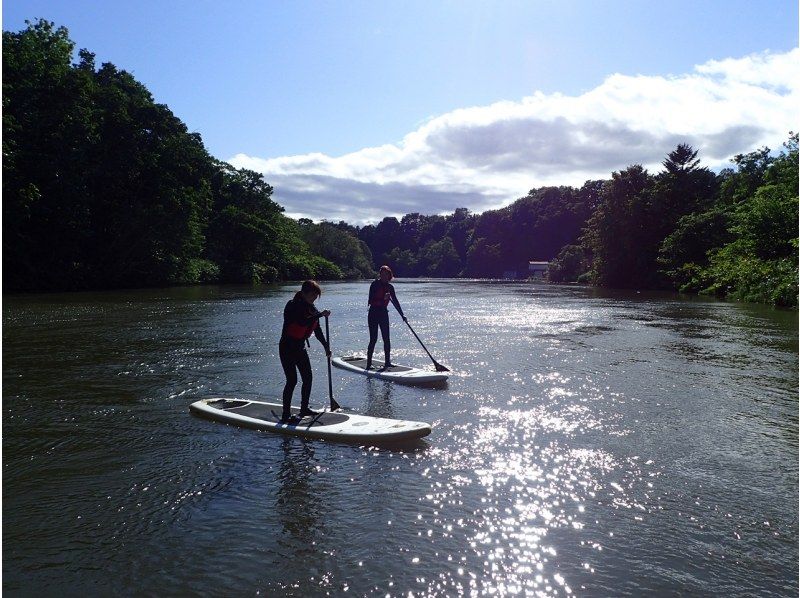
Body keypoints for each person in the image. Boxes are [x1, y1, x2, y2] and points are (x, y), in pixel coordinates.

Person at [279, 280, 331, 423]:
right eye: (312, 295)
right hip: (287, 347)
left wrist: (326, 346)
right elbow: (302, 321)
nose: (314, 298)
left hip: (300, 347)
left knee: (308, 378)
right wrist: (320, 314)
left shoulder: (312, 308)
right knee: (292, 380)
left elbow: (317, 329)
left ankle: (304, 409)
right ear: (303, 293)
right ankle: (285, 414)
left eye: (316, 296)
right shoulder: (292, 306)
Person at [366, 265, 406, 370]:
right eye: (382, 274)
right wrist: (383, 299)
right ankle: (368, 364)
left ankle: (387, 362)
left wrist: (402, 315)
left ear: (389, 275)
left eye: (386, 274)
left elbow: (396, 302)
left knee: (386, 339)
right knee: (373, 339)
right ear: (380, 275)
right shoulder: (374, 285)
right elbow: (370, 301)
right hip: (373, 313)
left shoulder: (390, 287)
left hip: (383, 313)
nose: (384, 276)